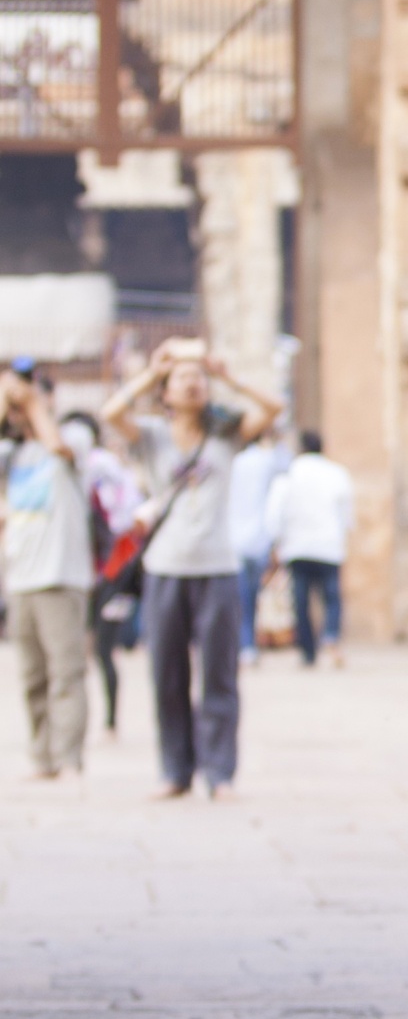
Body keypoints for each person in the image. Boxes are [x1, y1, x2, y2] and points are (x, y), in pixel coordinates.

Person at [102, 341, 284, 800]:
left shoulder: (227, 434)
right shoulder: (150, 436)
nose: (192, 382)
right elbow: (110, 413)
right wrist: (150, 371)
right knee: (167, 673)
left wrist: (229, 377)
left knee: (219, 673)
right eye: (182, 377)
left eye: (197, 376)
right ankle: (175, 770)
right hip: (165, 569)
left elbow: (274, 407)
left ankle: (220, 773)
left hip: (219, 568)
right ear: (166, 392)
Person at [1, 370, 94, 779]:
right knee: (31, 676)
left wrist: (32, 399)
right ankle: (42, 757)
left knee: (66, 672)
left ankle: (68, 756)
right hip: (20, 578)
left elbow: (56, 444)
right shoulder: (11, 454)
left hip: (60, 576)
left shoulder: (74, 437)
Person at [60, 413, 143, 734]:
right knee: (103, 649)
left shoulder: (94, 466)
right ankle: (107, 720)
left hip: (106, 568)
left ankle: (106, 720)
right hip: (109, 567)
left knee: (98, 650)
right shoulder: (107, 467)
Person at [265, 429, 354, 668]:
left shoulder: (289, 475)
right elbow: (346, 513)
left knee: (301, 601)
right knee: (332, 597)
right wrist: (344, 536)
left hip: (297, 546)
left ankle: (308, 652)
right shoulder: (337, 473)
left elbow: (275, 513)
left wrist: (276, 543)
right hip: (329, 545)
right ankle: (331, 635)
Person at [229, 428, 289, 665]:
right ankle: (248, 644)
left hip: (236, 539)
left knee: (241, 598)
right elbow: (286, 466)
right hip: (259, 539)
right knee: (251, 597)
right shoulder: (267, 461)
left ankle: (245, 644)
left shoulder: (234, 462)